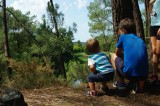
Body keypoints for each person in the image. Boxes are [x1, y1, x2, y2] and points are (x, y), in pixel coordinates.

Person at [111, 18, 149, 93]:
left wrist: (122, 56)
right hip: (144, 76)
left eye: (120, 31)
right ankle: (140, 87)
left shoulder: (123, 37)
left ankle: (121, 83)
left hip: (129, 75)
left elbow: (117, 53)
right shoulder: (140, 40)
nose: (120, 33)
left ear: (124, 30)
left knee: (113, 56)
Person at [149, 0, 160, 84]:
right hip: (153, 26)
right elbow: (150, 13)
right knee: (155, 50)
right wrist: (150, 4)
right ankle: (154, 75)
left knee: (159, 51)